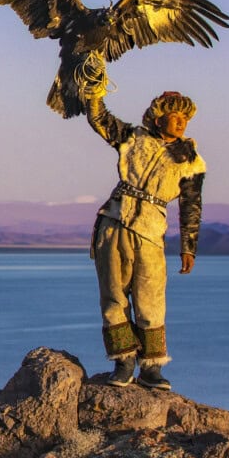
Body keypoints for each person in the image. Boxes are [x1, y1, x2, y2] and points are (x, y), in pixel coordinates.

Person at [83, 87, 206, 390]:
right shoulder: (132, 138)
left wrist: (188, 247)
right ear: (159, 117)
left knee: (151, 299)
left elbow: (191, 206)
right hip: (114, 222)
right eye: (174, 116)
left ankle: (151, 368)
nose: (181, 123)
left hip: (152, 230)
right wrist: (94, 92)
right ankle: (123, 362)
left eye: (184, 118)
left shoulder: (191, 160)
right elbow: (99, 119)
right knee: (113, 295)